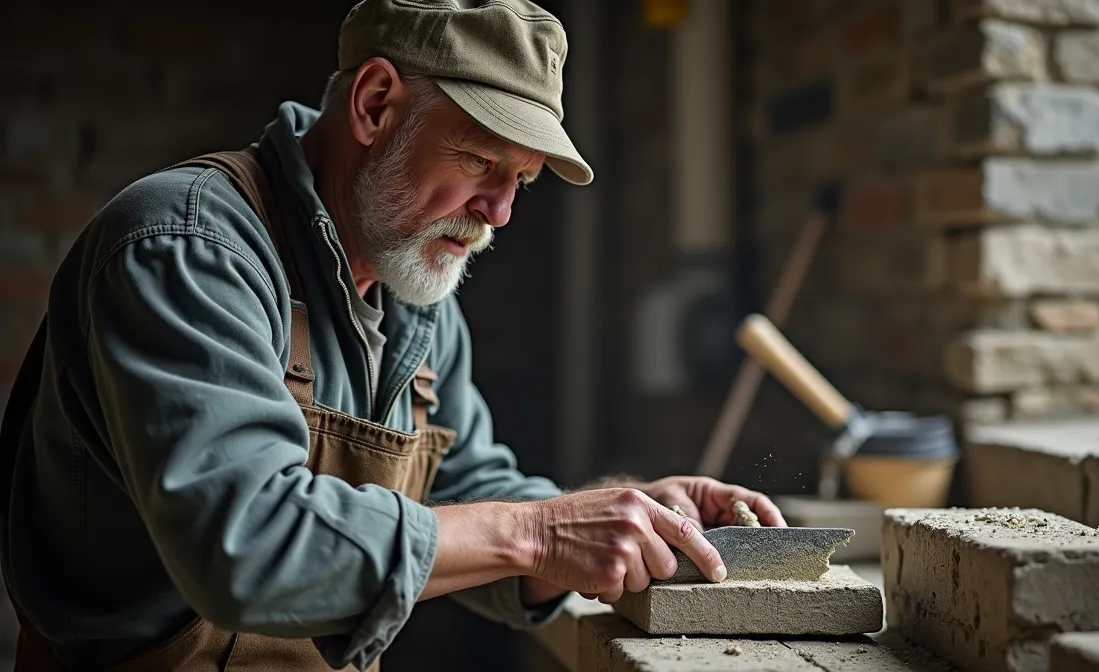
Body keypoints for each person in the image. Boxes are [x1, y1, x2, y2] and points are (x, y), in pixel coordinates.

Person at [0, 1, 785, 670]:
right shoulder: (187, 248)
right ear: (375, 104)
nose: (500, 212)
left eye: (522, 181)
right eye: (482, 160)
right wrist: (538, 533)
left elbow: (469, 498)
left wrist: (622, 520)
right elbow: (247, 546)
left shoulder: (414, 291)